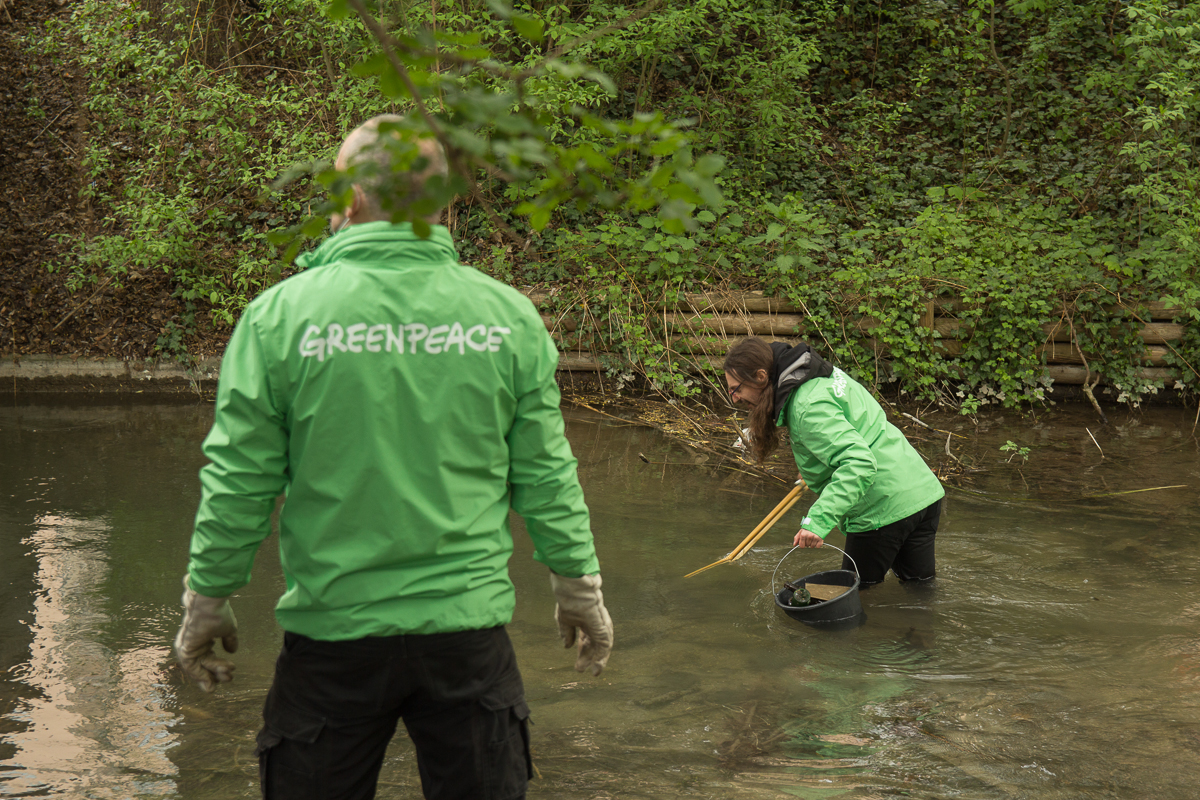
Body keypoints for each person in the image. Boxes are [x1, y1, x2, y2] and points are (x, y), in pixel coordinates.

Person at [172, 114, 613, 800]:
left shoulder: (280, 318)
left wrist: (208, 599)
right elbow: (546, 473)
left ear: (345, 201)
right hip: (466, 635)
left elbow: (239, 482)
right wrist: (577, 586)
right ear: (445, 204)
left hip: (333, 637)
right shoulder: (506, 318)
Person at [723, 336, 944, 588]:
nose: (735, 399)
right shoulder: (819, 376)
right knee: (921, 593)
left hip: (883, 508)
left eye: (735, 389)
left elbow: (858, 463)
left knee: (852, 598)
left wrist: (817, 522)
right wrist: (816, 468)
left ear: (761, 376)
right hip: (921, 492)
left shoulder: (806, 405)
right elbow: (856, 429)